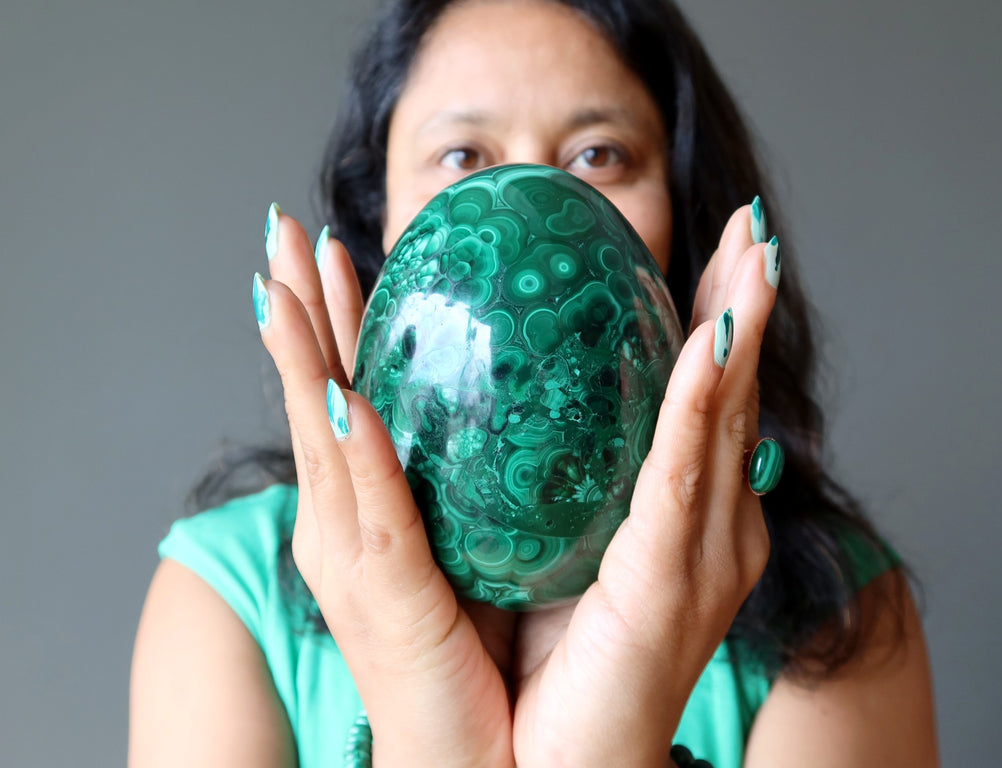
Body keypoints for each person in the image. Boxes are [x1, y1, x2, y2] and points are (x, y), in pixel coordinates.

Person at [128, 0, 939, 766]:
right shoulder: (225, 596)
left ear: (680, 217)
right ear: (383, 222)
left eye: (598, 155)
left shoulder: (838, 610)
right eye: (461, 157)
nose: (521, 209)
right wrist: (429, 727)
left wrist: (607, 742)